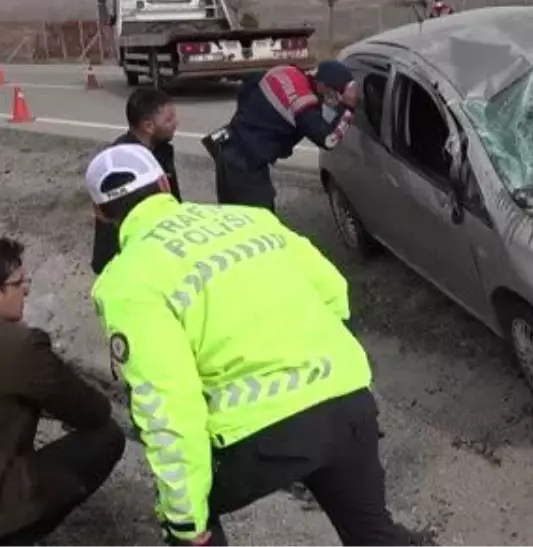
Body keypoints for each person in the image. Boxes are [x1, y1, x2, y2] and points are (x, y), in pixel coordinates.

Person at [84, 143, 405, 546]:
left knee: (188, 522)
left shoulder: (126, 282)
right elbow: (334, 293)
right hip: (345, 402)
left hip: (254, 440)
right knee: (373, 534)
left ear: (99, 212)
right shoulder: (252, 219)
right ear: (165, 183)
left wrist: (185, 522)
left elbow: (167, 404)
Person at [0, 238, 125, 546]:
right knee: (106, 437)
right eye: (19, 283)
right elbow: (93, 411)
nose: (26, 290)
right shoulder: (18, 346)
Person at [204, 61, 358, 212]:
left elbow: (248, 86)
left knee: (233, 220)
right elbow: (328, 140)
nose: (333, 100)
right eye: (334, 94)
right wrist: (348, 108)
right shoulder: (302, 101)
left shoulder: (286, 71)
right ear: (323, 86)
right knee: (262, 224)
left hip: (227, 146)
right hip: (246, 165)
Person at [91, 86, 182, 274]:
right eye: (169, 119)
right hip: (127, 260)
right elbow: (111, 222)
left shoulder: (162, 150)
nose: (176, 123)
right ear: (148, 126)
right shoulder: (119, 165)